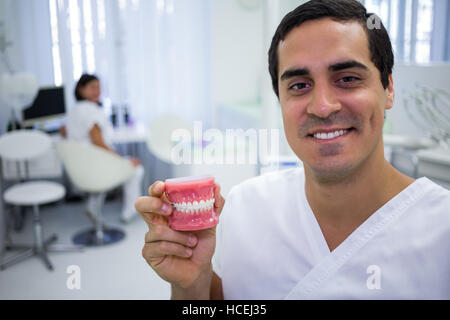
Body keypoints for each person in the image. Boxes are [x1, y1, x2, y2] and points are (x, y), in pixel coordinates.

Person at [134, 0, 450, 299]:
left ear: (389, 89)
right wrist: (193, 282)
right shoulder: (246, 207)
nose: (323, 107)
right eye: (299, 85)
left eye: (348, 78)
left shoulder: (441, 230)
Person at [65, 74, 144, 224]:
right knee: (136, 169)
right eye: (92, 87)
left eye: (99, 87)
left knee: (105, 172)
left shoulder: (74, 111)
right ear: (81, 90)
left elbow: (65, 131)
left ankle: (93, 204)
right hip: (96, 166)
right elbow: (98, 142)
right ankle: (130, 212)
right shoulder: (91, 111)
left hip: (81, 167)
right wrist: (123, 161)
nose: (97, 91)